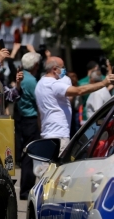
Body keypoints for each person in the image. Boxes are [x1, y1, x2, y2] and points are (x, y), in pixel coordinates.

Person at [35, 57, 114, 154]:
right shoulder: (53, 85)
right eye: (62, 67)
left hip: (47, 134)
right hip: (58, 136)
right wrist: (103, 83)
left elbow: (39, 113)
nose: (64, 70)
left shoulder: (40, 83)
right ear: (55, 69)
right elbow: (79, 90)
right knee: (58, 168)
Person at [15, 51, 41, 200]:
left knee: (26, 154)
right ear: (35, 65)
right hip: (30, 120)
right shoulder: (31, 81)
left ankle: (26, 189)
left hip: (22, 119)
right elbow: (39, 100)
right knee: (30, 157)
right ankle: (26, 190)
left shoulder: (22, 77)